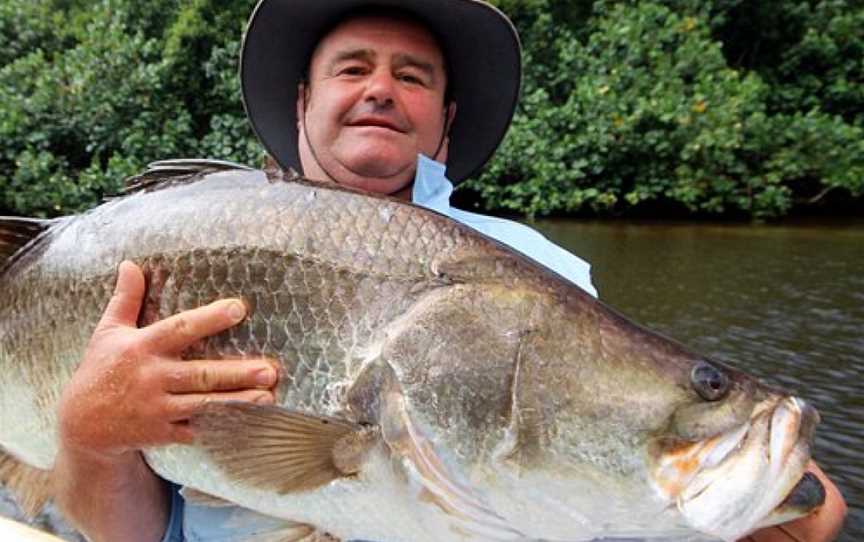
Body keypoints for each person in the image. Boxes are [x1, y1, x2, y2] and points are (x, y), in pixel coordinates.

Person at [52, 1, 847, 541]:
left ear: (445, 119)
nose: (380, 90)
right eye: (352, 66)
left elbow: (617, 427)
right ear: (302, 103)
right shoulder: (153, 246)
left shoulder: (534, 271)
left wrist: (754, 487)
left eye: (413, 75)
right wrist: (87, 436)